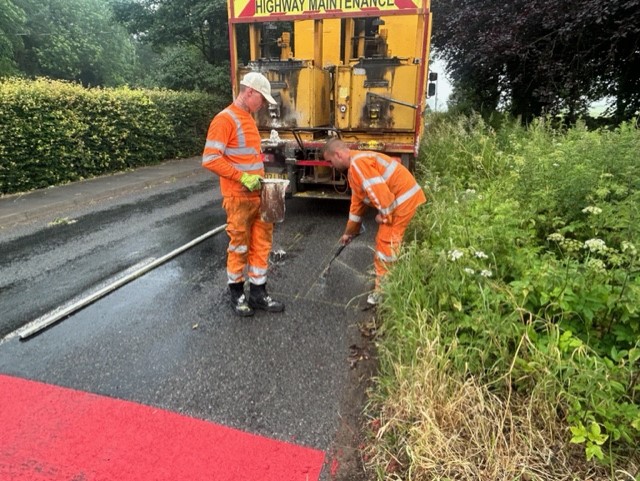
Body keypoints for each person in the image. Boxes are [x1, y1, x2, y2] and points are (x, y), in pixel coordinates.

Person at [202, 72, 285, 317]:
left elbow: (248, 156)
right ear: (249, 92)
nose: (263, 104)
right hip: (238, 196)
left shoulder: (247, 118)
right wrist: (242, 177)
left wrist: (262, 171)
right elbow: (210, 159)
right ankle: (237, 295)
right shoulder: (224, 119)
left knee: (261, 244)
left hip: (259, 194)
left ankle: (258, 293)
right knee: (239, 246)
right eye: (261, 98)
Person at [321, 138, 426, 306]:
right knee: (390, 243)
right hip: (403, 200)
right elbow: (357, 206)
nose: (331, 165)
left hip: (403, 202)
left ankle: (385, 292)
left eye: (330, 161)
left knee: (386, 245)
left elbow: (383, 197)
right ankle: (397, 276)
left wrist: (383, 217)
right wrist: (349, 232)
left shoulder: (358, 164)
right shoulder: (354, 168)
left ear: (338, 154)